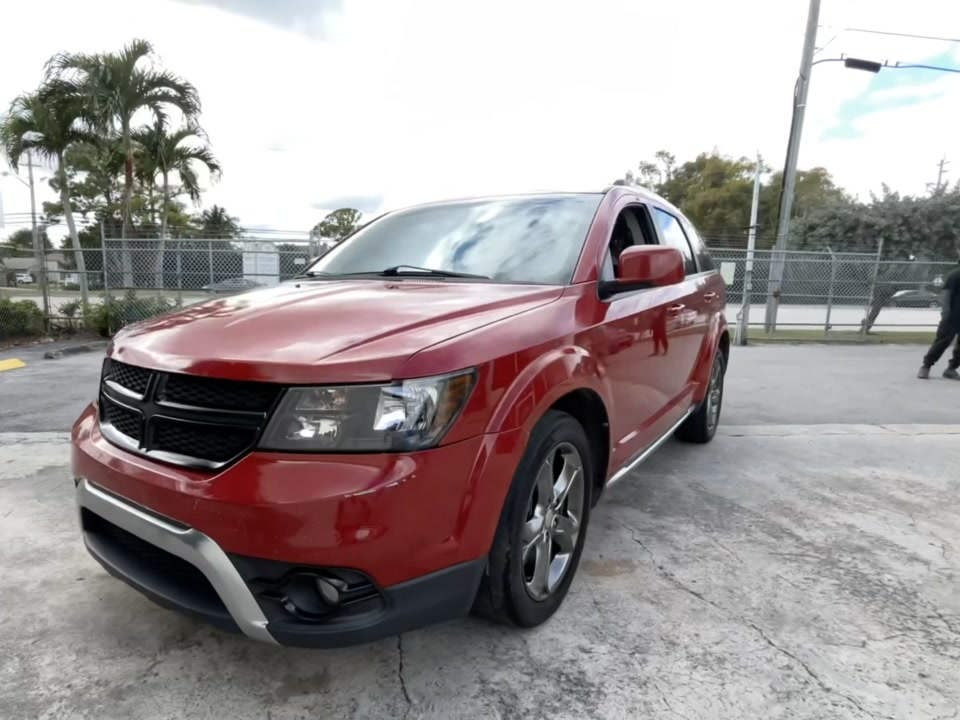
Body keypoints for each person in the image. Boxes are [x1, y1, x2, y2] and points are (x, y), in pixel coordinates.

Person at [918, 254, 960, 380]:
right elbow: (946, 294)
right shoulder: (955, 275)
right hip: (952, 316)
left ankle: (951, 369)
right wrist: (946, 313)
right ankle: (926, 366)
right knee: (942, 341)